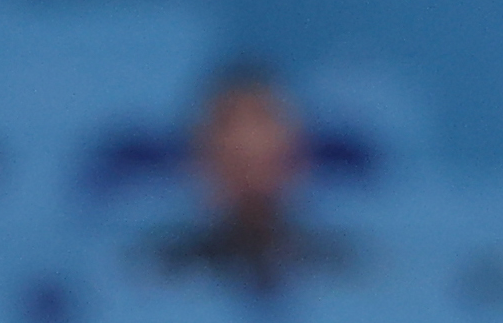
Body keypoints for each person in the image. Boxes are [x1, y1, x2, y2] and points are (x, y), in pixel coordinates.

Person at [134, 64, 358, 298]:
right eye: (232, 159)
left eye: (261, 118)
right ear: (196, 157)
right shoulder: (156, 260)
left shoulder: (344, 257)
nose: (247, 140)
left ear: (300, 152)